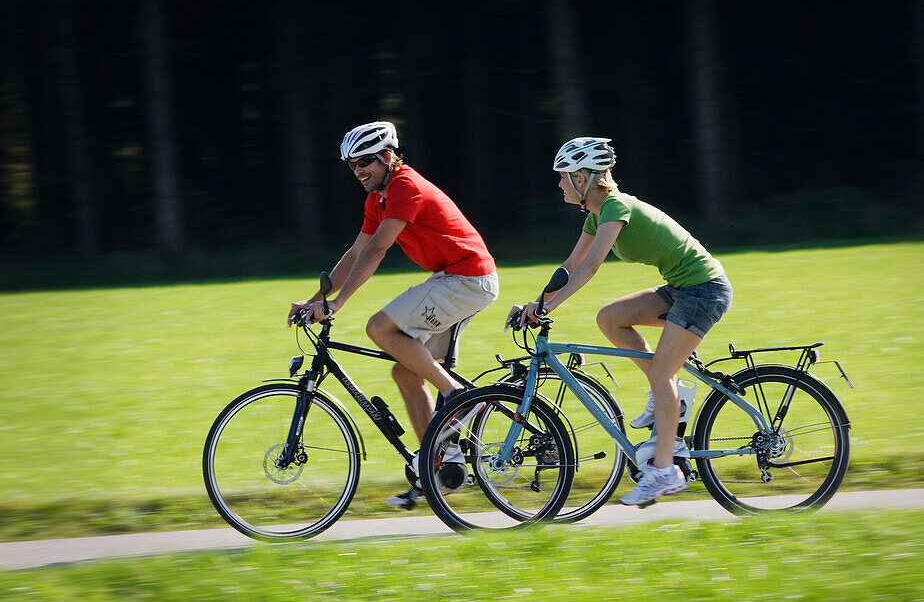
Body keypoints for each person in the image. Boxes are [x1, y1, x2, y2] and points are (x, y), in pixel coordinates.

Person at [507, 137, 732, 506]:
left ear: (582, 178)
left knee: (662, 375)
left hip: (703, 290)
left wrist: (550, 309)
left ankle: (664, 471)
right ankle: (669, 402)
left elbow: (592, 266)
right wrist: (537, 302)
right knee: (610, 318)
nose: (560, 183)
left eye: (564, 177)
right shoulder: (597, 215)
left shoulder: (614, 206)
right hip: (683, 287)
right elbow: (571, 265)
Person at [288, 120, 499, 507]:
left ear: (387, 158)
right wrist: (315, 297)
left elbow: (375, 251)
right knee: (405, 371)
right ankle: (442, 468)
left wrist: (336, 304)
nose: (358, 172)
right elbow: (354, 253)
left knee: (379, 327)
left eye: (364, 162)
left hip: (466, 279)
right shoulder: (377, 199)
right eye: (352, 165)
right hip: (458, 279)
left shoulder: (404, 186)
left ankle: (458, 395)